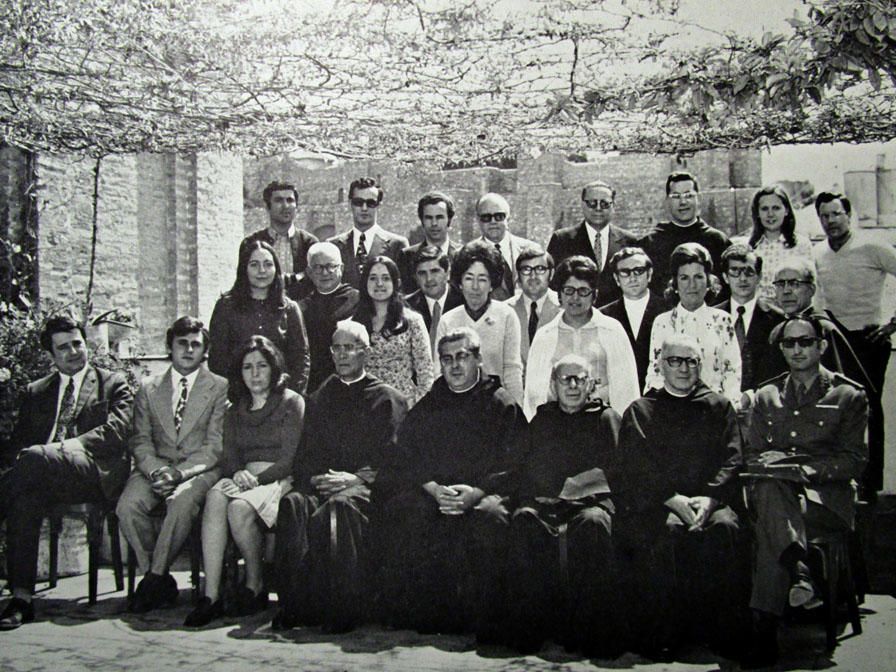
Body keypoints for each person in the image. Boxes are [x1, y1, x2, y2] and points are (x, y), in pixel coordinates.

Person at [377, 327, 526, 639]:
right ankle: (420, 613)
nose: (455, 366)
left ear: (478, 359)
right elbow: (405, 455)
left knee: (490, 516)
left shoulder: (501, 404)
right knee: (404, 510)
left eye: (462, 357)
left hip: (485, 491)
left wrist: (476, 492)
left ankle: (486, 617)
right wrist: (432, 488)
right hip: (437, 492)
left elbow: (514, 463)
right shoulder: (430, 406)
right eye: (447, 359)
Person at [741, 316, 868, 668]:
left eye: (805, 342)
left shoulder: (849, 394)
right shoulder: (766, 396)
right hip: (776, 498)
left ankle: (765, 630)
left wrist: (798, 466)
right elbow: (752, 455)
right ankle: (798, 567)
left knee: (771, 510)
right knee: (770, 495)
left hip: (825, 501)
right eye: (788, 343)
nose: (796, 349)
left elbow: (854, 461)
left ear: (821, 346)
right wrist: (776, 468)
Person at [610, 334, 747, 658]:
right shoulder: (642, 411)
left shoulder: (718, 406)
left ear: (701, 366)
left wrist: (711, 499)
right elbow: (635, 465)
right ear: (660, 364)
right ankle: (665, 633)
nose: (683, 369)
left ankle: (718, 633)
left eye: (691, 361)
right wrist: (672, 499)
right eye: (675, 361)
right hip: (660, 501)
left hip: (710, 500)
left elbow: (733, 458)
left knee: (726, 529)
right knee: (666, 532)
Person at [271, 321, 407, 633]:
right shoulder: (319, 398)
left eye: (350, 348)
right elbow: (305, 455)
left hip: (366, 489)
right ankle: (295, 606)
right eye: (337, 348)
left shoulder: (387, 400)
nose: (342, 355)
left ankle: (344, 606)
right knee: (293, 504)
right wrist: (319, 478)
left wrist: (357, 479)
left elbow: (394, 459)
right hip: (324, 483)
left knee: (340, 509)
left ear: (365, 352)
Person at [0, 316, 133, 630]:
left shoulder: (112, 382)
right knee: (24, 498)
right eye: (64, 348)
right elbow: (18, 445)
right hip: (43, 478)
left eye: (78, 343)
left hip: (92, 473)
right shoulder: (37, 391)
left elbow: (118, 431)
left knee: (33, 456)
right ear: (51, 355)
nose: (74, 351)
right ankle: (21, 600)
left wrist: (67, 446)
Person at [505, 355, 622, 655]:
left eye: (579, 379)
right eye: (565, 379)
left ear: (591, 384)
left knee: (594, 524)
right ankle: (532, 629)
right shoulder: (543, 419)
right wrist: (545, 494)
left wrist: (575, 491)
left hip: (590, 503)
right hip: (546, 502)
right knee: (524, 519)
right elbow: (525, 466)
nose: (572, 385)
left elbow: (617, 469)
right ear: (553, 386)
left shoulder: (606, 419)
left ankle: (589, 632)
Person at [184, 337, 304, 627]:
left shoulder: (291, 401)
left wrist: (254, 480)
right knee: (214, 497)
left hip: (278, 478)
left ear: (274, 369)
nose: (255, 374)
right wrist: (238, 473)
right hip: (245, 478)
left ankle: (255, 583)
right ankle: (210, 595)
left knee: (238, 508)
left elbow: (289, 460)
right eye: (247, 367)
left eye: (262, 366)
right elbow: (230, 454)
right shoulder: (235, 408)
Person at [116, 316, 229, 613]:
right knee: (127, 506)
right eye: (182, 344)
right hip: (155, 467)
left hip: (200, 469)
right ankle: (160, 576)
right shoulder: (149, 388)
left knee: (181, 501)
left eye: (196, 345)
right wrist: (157, 471)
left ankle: (152, 581)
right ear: (170, 346)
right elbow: (140, 441)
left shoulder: (219, 387)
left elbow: (215, 446)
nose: (189, 350)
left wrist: (179, 473)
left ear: (205, 350)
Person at [813, 190, 896, 497]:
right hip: (835, 340)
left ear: (849, 215)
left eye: (837, 214)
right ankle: (842, 482)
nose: (831, 221)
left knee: (869, 409)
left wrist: (891, 324)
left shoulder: (873, 246)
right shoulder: (819, 253)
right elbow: (817, 297)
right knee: (837, 410)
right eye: (825, 215)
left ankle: (871, 486)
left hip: (870, 339)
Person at [524, 255, 640, 420]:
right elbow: (533, 395)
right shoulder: (545, 335)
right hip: (556, 426)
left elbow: (627, 390)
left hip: (601, 425)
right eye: (569, 290)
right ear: (560, 294)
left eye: (583, 291)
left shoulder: (612, 331)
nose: (575, 298)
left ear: (595, 295)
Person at [208, 239, 310, 394]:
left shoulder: (289, 309)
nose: (262, 270)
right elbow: (217, 359)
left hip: (280, 399)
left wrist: (288, 398)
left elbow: (301, 360)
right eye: (254, 264)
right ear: (244, 269)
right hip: (238, 399)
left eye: (268, 264)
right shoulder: (226, 307)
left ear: (276, 269)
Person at [645, 242, 742, 404]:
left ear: (708, 282)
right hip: (673, 411)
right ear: (675, 284)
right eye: (684, 278)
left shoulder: (722, 320)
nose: (692, 285)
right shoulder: (662, 322)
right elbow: (656, 373)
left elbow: (732, 371)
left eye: (698, 277)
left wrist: (727, 409)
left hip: (714, 410)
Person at [435, 240, 524, 405]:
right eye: (469, 278)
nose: (475, 286)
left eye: (482, 279)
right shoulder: (448, 320)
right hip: (457, 407)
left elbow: (512, 371)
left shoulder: (507, 316)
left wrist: (517, 414)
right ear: (460, 283)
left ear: (492, 284)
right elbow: (439, 372)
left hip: (496, 407)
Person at [351, 256, 435, 406]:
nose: (379, 284)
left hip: (402, 405)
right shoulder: (355, 323)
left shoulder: (412, 321)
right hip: (364, 405)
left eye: (386, 278)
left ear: (396, 283)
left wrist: (415, 408)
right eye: (373, 278)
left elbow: (425, 372)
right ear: (365, 283)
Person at [547, 180, 639, 306]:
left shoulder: (629, 241)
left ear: (614, 206)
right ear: (582, 205)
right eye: (592, 203)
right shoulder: (562, 240)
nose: (598, 208)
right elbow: (552, 285)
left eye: (605, 204)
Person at [640, 171, 732, 297]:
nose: (683, 202)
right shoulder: (651, 242)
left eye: (688, 195)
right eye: (676, 196)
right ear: (667, 201)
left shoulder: (718, 240)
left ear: (698, 198)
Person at [714, 244, 783, 391]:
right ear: (725, 277)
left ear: (759, 277)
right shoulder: (711, 317)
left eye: (749, 272)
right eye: (735, 272)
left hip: (762, 404)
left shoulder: (777, 320)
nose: (742, 279)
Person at [733, 185, 813, 308]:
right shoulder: (749, 248)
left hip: (792, 312)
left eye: (776, 208)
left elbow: (809, 286)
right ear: (757, 213)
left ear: (786, 210)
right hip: (759, 316)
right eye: (764, 209)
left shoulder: (801, 245)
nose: (770, 214)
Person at [600, 247, 666, 390]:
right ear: (616, 278)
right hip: (619, 393)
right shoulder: (603, 316)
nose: (632, 278)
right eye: (625, 272)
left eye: (639, 271)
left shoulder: (668, 311)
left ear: (649, 274)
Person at [241, 180, 319, 301]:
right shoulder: (251, 243)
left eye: (290, 200)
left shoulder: (310, 244)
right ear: (268, 206)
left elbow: (315, 283)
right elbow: (244, 284)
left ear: (296, 206)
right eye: (278, 200)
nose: (285, 206)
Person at [299, 241, 360, 392]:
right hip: (314, 387)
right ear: (309, 272)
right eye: (318, 268)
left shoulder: (357, 300)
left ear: (342, 268)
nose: (325, 273)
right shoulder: (301, 308)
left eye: (331, 266)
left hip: (352, 383)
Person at [328, 177, 408, 289]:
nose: (364, 208)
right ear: (350, 204)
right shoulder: (333, 246)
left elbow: (403, 289)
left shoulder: (397, 245)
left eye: (370, 203)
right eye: (358, 202)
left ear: (378, 205)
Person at [504, 245, 561, 372]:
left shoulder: (565, 308)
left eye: (540, 269)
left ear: (551, 274)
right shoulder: (505, 311)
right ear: (518, 275)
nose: (533, 276)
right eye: (526, 269)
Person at [474, 192, 538, 300]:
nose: (493, 222)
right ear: (478, 220)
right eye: (486, 217)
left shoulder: (531, 250)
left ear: (508, 218)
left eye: (499, 216)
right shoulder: (469, 255)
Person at [404, 245, 464, 357]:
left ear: (447, 272)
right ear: (415, 278)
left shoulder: (464, 301)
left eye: (434, 271)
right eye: (422, 273)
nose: (429, 279)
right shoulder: (406, 307)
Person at [398, 191, 462, 292]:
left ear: (449, 220)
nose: (434, 223)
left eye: (439, 217)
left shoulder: (462, 254)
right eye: (428, 218)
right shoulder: (407, 256)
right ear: (422, 220)